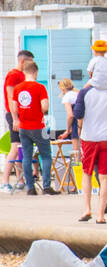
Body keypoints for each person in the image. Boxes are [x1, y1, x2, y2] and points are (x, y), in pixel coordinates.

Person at [72, 61, 107, 223]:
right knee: (105, 177)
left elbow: (78, 114)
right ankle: (101, 215)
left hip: (89, 138)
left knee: (87, 173)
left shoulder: (85, 93)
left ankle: (87, 209)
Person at [10, 60, 56, 195]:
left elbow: (14, 106)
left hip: (23, 126)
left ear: (24, 72)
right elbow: (45, 106)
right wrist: (40, 110)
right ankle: (46, 186)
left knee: (27, 156)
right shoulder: (40, 87)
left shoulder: (18, 88)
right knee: (46, 155)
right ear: (35, 72)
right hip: (39, 126)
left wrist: (16, 119)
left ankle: (30, 187)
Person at [2, 49, 35, 193]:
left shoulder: (23, 75)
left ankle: (21, 180)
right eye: (30, 62)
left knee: (22, 147)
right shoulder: (13, 75)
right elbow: (11, 98)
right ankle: (5, 182)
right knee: (15, 147)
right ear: (23, 61)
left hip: (23, 115)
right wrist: (15, 118)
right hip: (14, 115)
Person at [56, 78, 79, 193]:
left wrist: (68, 129)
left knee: (77, 155)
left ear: (62, 87)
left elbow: (70, 115)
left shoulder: (67, 97)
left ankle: (78, 183)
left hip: (76, 125)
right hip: (85, 124)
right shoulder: (77, 93)